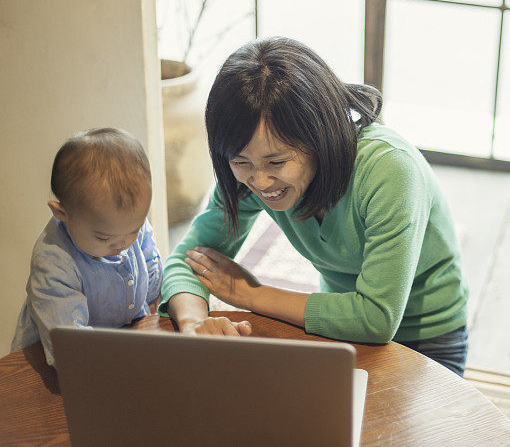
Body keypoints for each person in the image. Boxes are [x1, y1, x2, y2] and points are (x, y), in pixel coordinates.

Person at [160, 37, 470, 375]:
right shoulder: (246, 174)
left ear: (318, 136)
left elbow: (376, 318)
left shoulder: (389, 169)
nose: (260, 181)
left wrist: (248, 294)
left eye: (277, 161)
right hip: (336, 325)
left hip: (428, 338)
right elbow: (189, 258)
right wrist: (193, 325)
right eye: (240, 160)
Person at [11, 128, 163, 366]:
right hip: (62, 365)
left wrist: (155, 293)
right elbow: (72, 348)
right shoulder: (54, 262)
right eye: (104, 238)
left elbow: (150, 259)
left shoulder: (125, 223)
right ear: (62, 213)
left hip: (122, 342)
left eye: (135, 229)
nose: (122, 244)